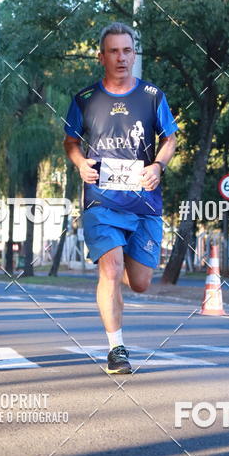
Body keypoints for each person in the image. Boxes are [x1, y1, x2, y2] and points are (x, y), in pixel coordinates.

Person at [64, 22, 178, 374]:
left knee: (140, 283)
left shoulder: (152, 96)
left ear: (134, 54)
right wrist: (81, 162)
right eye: (113, 51)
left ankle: (128, 261)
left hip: (144, 202)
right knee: (110, 269)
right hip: (102, 200)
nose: (121, 57)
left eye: (127, 50)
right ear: (102, 57)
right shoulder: (85, 99)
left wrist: (158, 166)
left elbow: (170, 138)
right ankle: (117, 350)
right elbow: (71, 141)